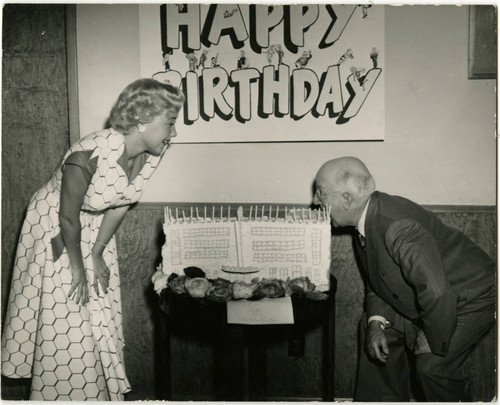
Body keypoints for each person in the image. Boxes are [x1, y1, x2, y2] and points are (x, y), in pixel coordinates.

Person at [1, 78, 184, 400]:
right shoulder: (88, 152)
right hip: (54, 225)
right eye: (169, 123)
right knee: (68, 310)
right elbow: (67, 216)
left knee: (97, 309)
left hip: (95, 225)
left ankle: (94, 394)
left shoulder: (153, 151)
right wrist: (76, 266)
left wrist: (97, 253)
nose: (174, 133)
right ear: (141, 121)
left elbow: (123, 201)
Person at [313, 156, 496, 401]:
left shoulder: (396, 226)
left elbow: (438, 291)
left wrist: (434, 338)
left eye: (321, 193)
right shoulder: (366, 218)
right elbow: (378, 281)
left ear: (347, 199)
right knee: (372, 328)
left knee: (432, 367)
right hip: (434, 291)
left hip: (472, 295)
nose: (315, 201)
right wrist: (376, 323)